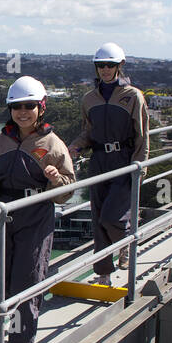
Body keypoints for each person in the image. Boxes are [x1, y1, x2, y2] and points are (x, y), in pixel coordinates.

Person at [0, 76, 75, 343]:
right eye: (17, 107)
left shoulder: (52, 144)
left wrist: (56, 179)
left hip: (35, 215)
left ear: (41, 108)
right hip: (3, 215)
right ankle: (7, 331)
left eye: (29, 106)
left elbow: (67, 192)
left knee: (27, 280)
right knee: (1, 281)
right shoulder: (1, 141)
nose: (23, 112)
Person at [67, 43, 149, 286]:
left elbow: (142, 135)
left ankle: (127, 243)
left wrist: (140, 167)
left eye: (110, 65)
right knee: (98, 218)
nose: (105, 69)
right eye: (101, 65)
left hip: (124, 161)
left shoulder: (133, 96)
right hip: (99, 161)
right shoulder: (88, 99)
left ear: (120, 66)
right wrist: (75, 147)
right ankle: (103, 275)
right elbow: (88, 132)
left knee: (111, 217)